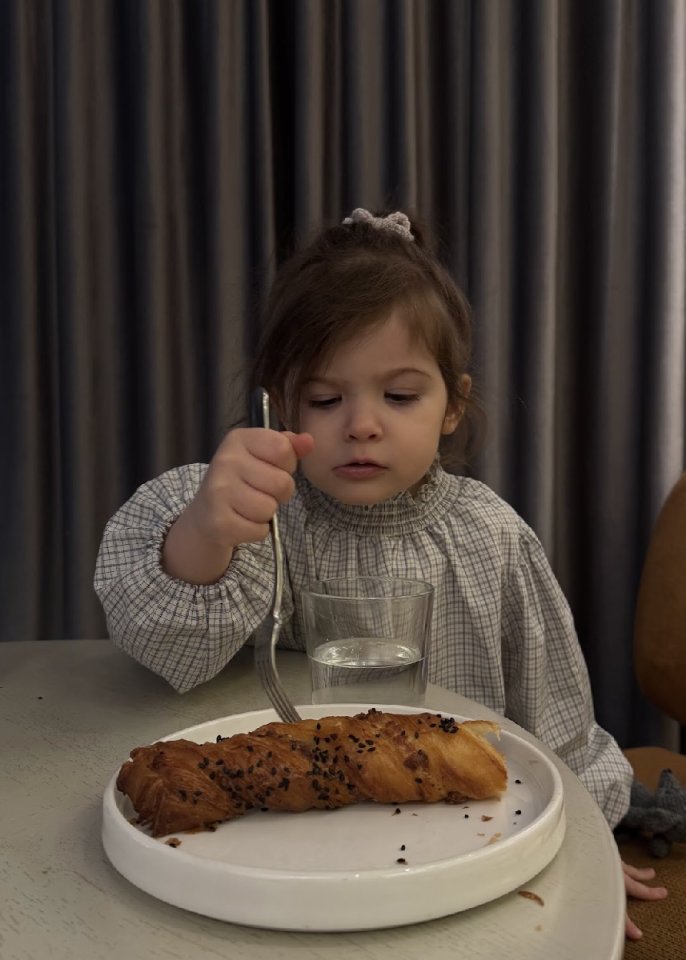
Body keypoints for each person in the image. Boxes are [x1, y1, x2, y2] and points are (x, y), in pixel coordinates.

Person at [94, 207, 666, 938]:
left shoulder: (493, 537)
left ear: (453, 406)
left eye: (399, 396)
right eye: (325, 399)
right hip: (281, 862)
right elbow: (164, 647)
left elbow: (555, 716)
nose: (361, 424)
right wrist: (207, 530)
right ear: (280, 406)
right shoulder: (257, 516)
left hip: (464, 851)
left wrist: (579, 838)